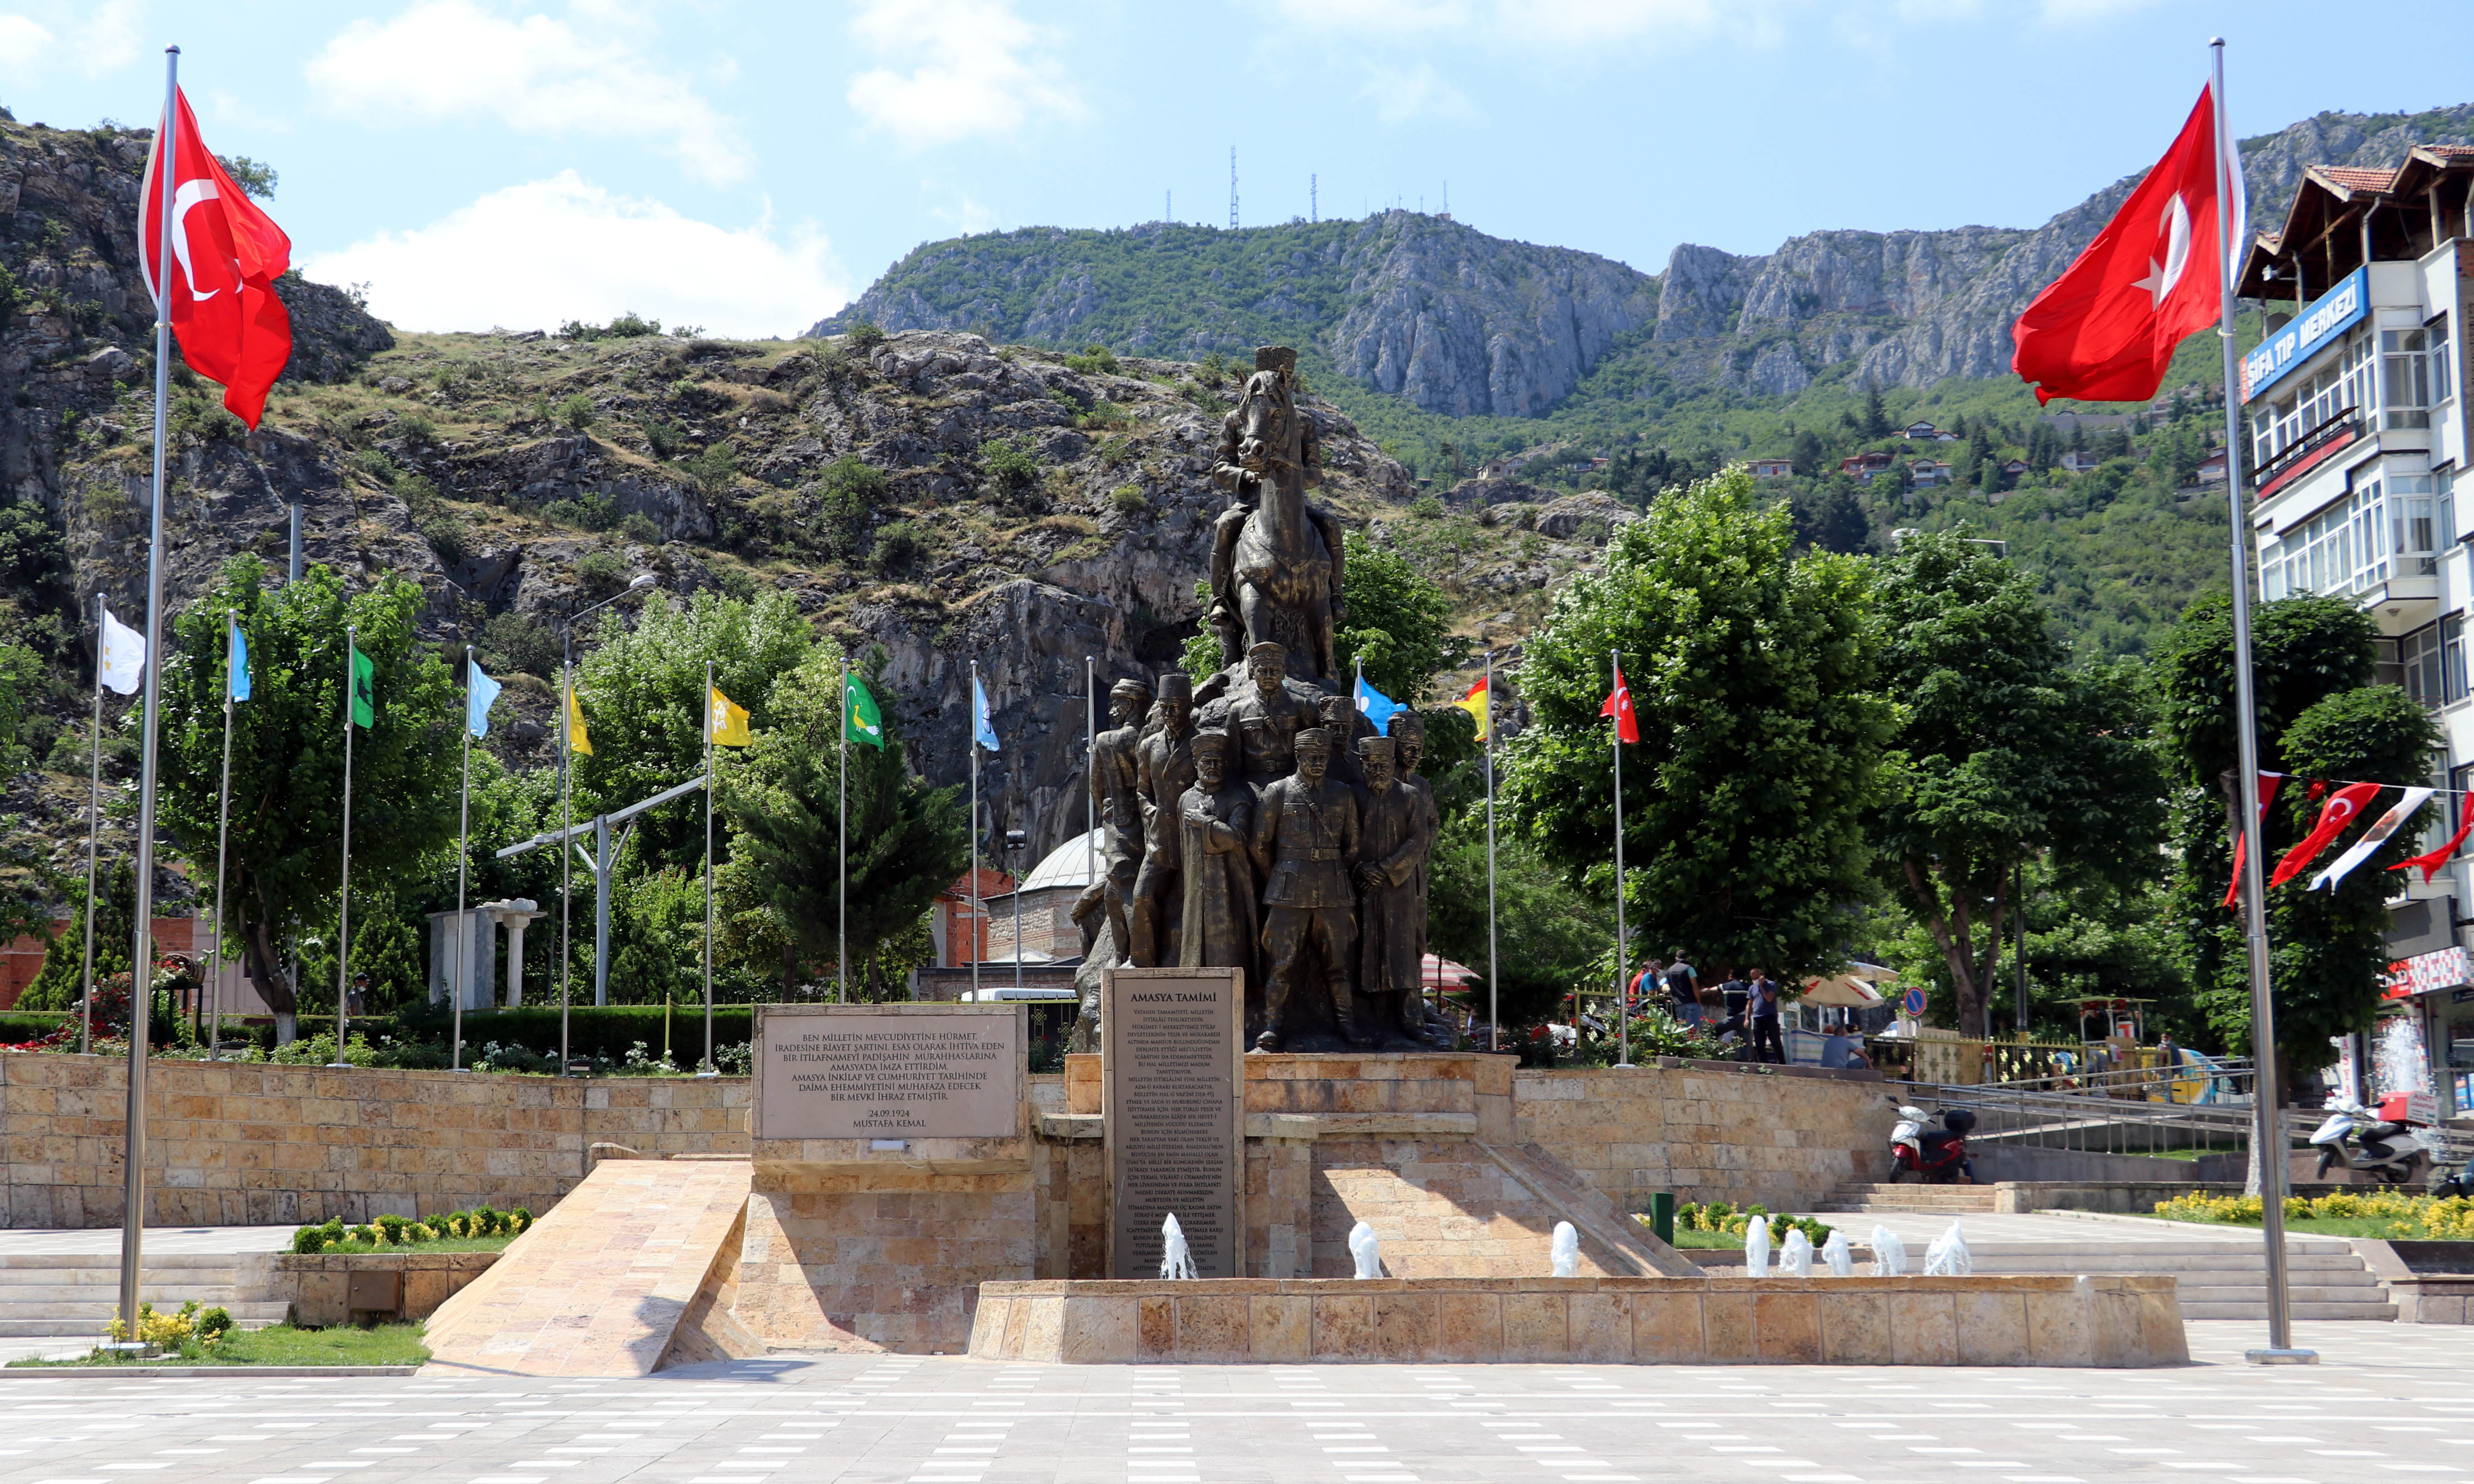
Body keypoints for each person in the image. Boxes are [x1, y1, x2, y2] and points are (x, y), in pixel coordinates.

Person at [1746, 968, 1785, 1065]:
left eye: (1756, 978)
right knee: (1759, 1044)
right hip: (1757, 1018)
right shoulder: (1752, 988)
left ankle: (1782, 1063)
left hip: (1770, 1016)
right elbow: (1749, 1004)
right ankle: (1763, 1064)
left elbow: (1769, 998)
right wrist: (1747, 1018)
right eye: (1753, 978)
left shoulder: (1771, 985)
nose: (1755, 980)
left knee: (1775, 1041)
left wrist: (1762, 986)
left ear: (1762, 976)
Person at [1663, 951, 1701, 1027]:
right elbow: (1695, 987)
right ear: (1687, 958)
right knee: (1692, 1030)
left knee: (1682, 1029)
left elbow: (1666, 986)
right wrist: (1699, 1002)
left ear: (1676, 958)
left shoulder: (1669, 971)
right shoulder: (1689, 969)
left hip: (1678, 1004)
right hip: (1691, 1003)